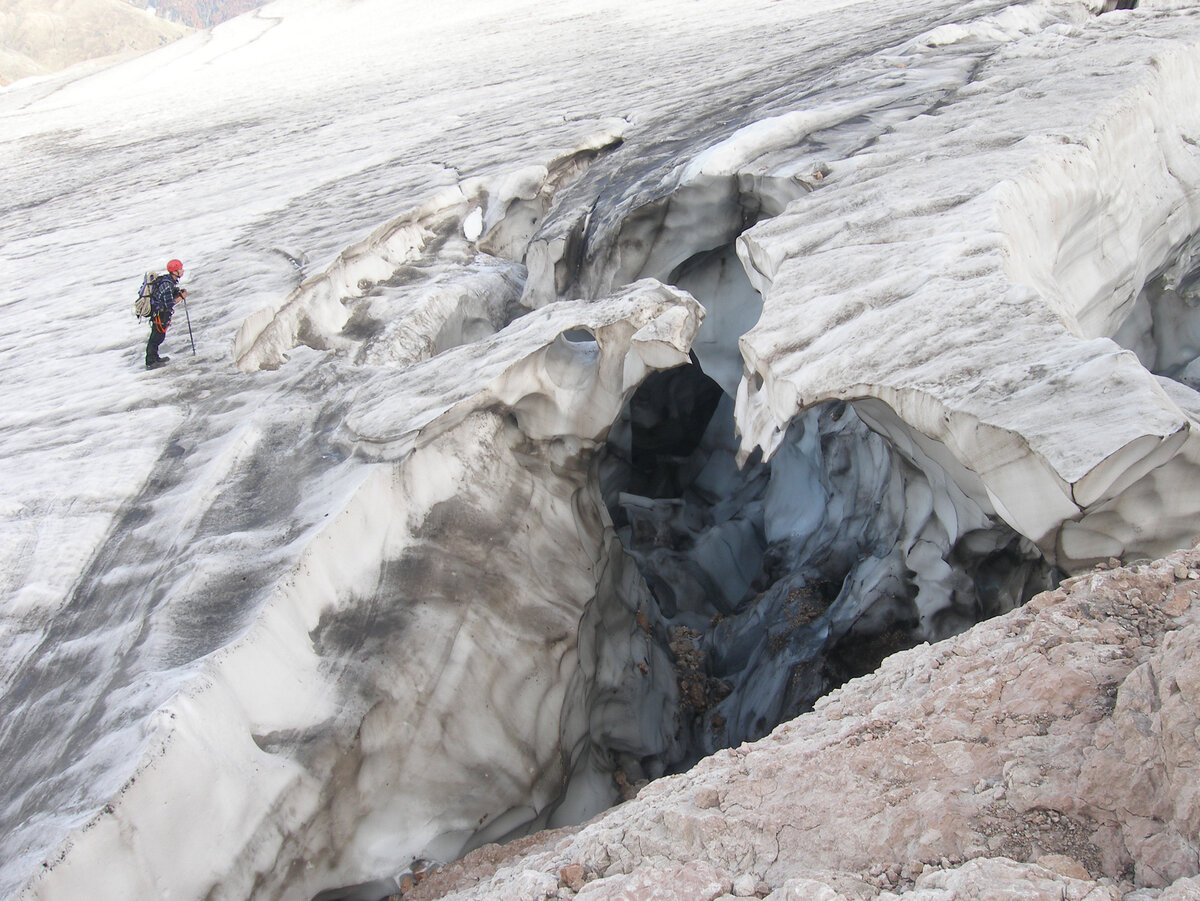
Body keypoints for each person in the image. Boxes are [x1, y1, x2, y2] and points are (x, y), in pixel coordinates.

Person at [146, 259, 187, 369]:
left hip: (160, 313)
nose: (182, 271)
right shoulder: (167, 284)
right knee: (156, 337)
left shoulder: (168, 281)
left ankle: (155, 357)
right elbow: (169, 304)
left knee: (158, 336)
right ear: (174, 271)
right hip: (160, 314)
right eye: (180, 269)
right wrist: (181, 297)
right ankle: (150, 361)